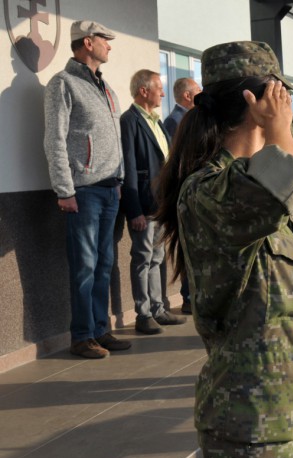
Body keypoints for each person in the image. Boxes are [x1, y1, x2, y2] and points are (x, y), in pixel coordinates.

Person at [155, 41, 293, 458]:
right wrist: (280, 130)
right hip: (253, 425)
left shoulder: (254, 183)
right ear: (258, 103)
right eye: (281, 96)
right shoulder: (210, 189)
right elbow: (279, 179)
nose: (287, 106)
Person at [44, 20, 131, 358]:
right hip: (83, 191)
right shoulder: (63, 83)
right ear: (88, 42)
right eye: (104, 39)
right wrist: (64, 189)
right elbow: (55, 139)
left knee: (104, 264)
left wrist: (119, 178)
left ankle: (99, 329)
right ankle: (81, 336)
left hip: (110, 190)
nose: (109, 45)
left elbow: (115, 140)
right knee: (85, 265)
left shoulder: (106, 88)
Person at [120, 70, 186, 334]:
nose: (163, 93)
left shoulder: (157, 122)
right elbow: (129, 166)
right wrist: (134, 210)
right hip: (144, 205)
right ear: (143, 91)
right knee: (143, 258)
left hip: (160, 204)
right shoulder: (130, 120)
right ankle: (143, 314)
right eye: (159, 88)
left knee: (157, 257)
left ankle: (158, 309)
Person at [163, 77, 202, 314]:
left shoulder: (190, 118)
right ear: (187, 95)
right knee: (189, 246)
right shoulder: (175, 121)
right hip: (185, 191)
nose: (201, 93)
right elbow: (176, 161)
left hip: (195, 189)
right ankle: (188, 297)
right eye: (197, 90)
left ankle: (194, 295)